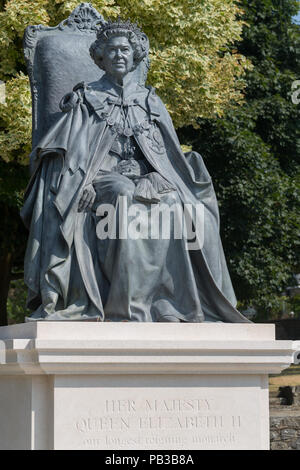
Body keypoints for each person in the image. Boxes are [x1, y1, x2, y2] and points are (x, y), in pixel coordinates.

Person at [21, 20, 249, 323]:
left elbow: (165, 154)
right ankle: (127, 309)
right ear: (100, 56)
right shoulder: (86, 99)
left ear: (135, 55)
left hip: (144, 176)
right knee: (124, 197)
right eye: (112, 50)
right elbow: (67, 149)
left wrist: (156, 174)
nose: (119, 55)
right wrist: (83, 182)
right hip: (100, 178)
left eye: (125, 49)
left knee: (178, 204)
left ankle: (169, 305)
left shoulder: (149, 101)